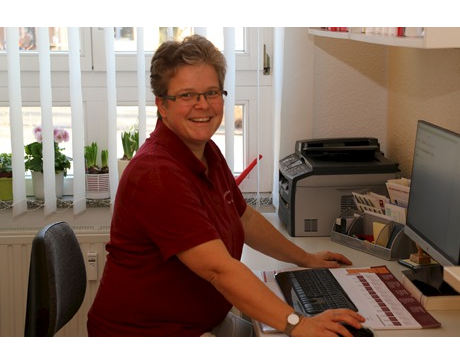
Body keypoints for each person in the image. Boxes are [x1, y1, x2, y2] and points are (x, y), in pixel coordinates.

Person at [87, 34, 365, 337]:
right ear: (161, 105)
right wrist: (298, 324)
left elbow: (243, 218)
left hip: (199, 321)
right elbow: (218, 269)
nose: (202, 105)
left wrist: (306, 258)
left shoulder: (204, 151)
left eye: (211, 92)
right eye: (186, 95)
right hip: (146, 330)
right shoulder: (157, 174)